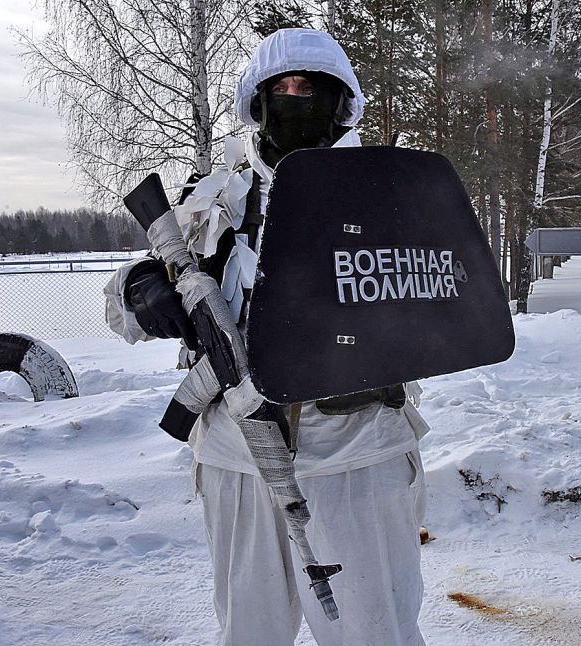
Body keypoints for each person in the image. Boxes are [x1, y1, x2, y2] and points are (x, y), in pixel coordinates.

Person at [105, 28, 428, 645]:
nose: (294, 99)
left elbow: (445, 294)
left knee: (375, 631)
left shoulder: (389, 190)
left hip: (356, 454)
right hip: (236, 453)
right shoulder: (218, 197)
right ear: (256, 103)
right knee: (250, 632)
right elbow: (134, 293)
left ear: (341, 102)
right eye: (280, 88)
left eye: (310, 88)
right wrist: (141, 287)